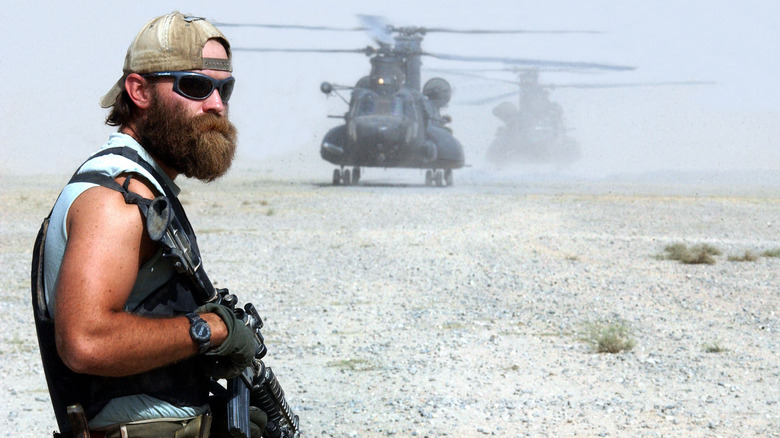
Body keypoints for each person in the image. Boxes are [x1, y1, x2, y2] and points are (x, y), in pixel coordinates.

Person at [31, 11, 266, 438]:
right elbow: (86, 341)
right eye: (194, 86)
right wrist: (210, 330)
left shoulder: (146, 186)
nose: (215, 104)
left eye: (223, 88)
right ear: (138, 91)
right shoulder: (116, 197)